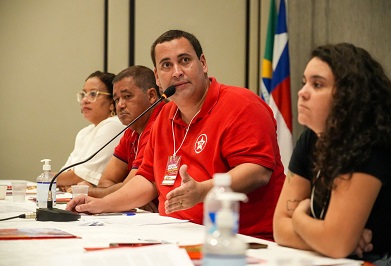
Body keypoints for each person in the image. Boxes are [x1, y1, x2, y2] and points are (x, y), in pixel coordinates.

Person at [67, 29, 285, 241]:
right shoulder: (164, 116)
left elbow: (257, 171)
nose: (177, 72)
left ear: (203, 63)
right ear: (157, 78)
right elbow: (146, 180)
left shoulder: (241, 104)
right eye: (166, 65)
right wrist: (100, 205)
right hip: (175, 233)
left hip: (242, 240)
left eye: (185, 60)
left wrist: (202, 191)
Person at [273, 43, 391, 265]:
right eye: (304, 83)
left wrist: (301, 218)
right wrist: (329, 239)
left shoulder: (371, 141)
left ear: (349, 94)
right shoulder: (311, 138)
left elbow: (335, 243)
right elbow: (280, 228)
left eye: (317, 84)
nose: (302, 92)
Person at [87, 66, 164, 212]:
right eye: (116, 100)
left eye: (127, 96)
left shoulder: (159, 124)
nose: (120, 105)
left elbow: (130, 189)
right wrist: (125, 196)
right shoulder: (132, 130)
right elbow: (106, 181)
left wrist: (89, 191)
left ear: (152, 95)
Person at [57, 71, 125, 190]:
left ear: (111, 102)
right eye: (83, 94)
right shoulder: (84, 132)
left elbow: (83, 176)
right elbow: (66, 172)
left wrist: (48, 178)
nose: (85, 100)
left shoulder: (113, 125)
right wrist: (66, 180)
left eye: (93, 94)